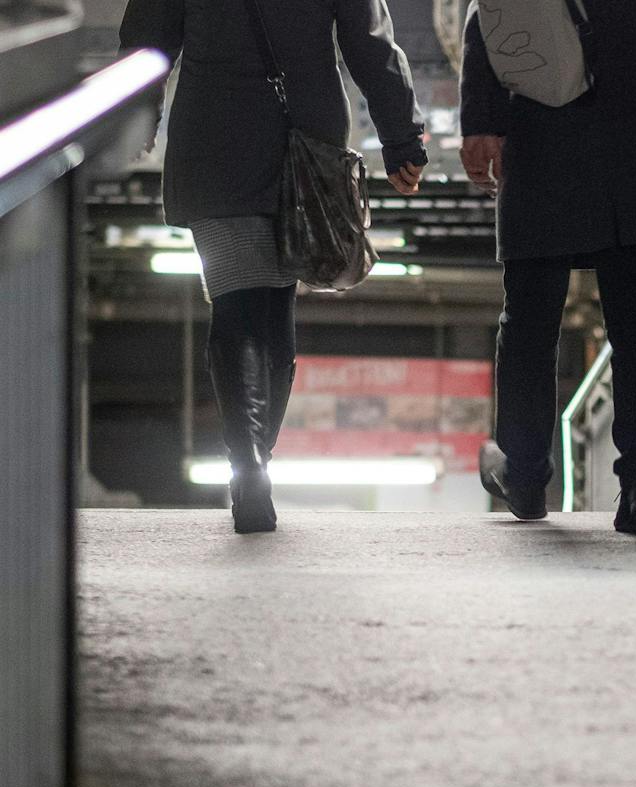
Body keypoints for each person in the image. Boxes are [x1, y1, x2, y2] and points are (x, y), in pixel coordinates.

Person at [121, 0, 428, 534]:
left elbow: (149, 37)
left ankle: (249, 467)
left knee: (237, 297)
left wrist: (139, 114)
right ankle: (257, 462)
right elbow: (369, 40)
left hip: (212, 138)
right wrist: (401, 133)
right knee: (274, 302)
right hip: (304, 138)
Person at [459, 0, 636, 536]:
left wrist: (482, 119)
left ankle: (526, 474)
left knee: (530, 318)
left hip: (542, 128)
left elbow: (489, 13)